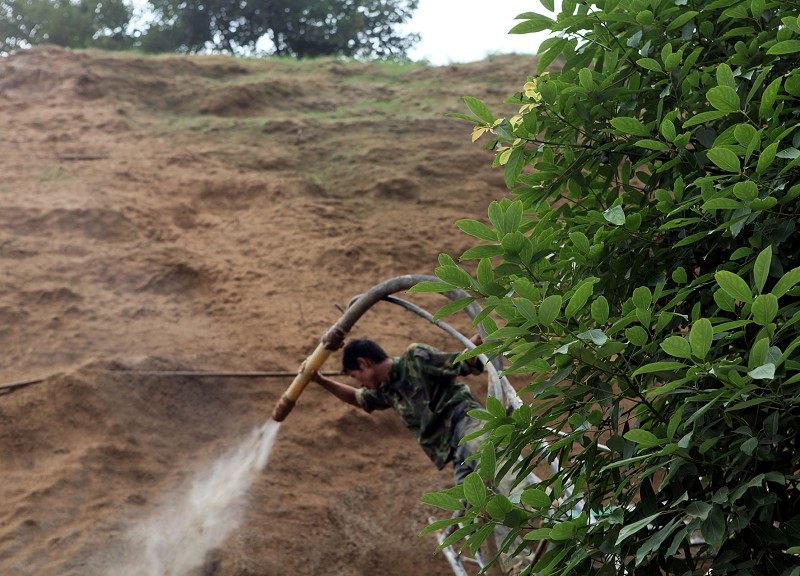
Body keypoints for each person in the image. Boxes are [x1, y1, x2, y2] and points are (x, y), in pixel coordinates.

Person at [306, 334, 486, 483]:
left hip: (467, 425)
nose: (360, 383)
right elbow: (356, 398)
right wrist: (320, 380)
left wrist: (474, 347)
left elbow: (461, 364)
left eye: (355, 376)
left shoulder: (415, 358)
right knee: (468, 508)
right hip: (456, 451)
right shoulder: (387, 391)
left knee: (492, 466)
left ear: (363, 363)